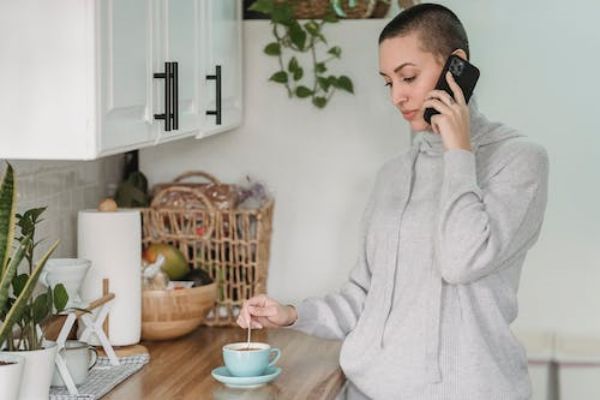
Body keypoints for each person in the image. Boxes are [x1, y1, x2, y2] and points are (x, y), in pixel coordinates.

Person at [237, 3, 549, 399]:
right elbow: (365, 298)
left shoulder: (519, 160)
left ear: (456, 66)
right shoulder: (393, 175)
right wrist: (292, 314)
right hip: (367, 391)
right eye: (389, 82)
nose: (397, 96)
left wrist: (457, 150)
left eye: (409, 77)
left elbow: (461, 260)